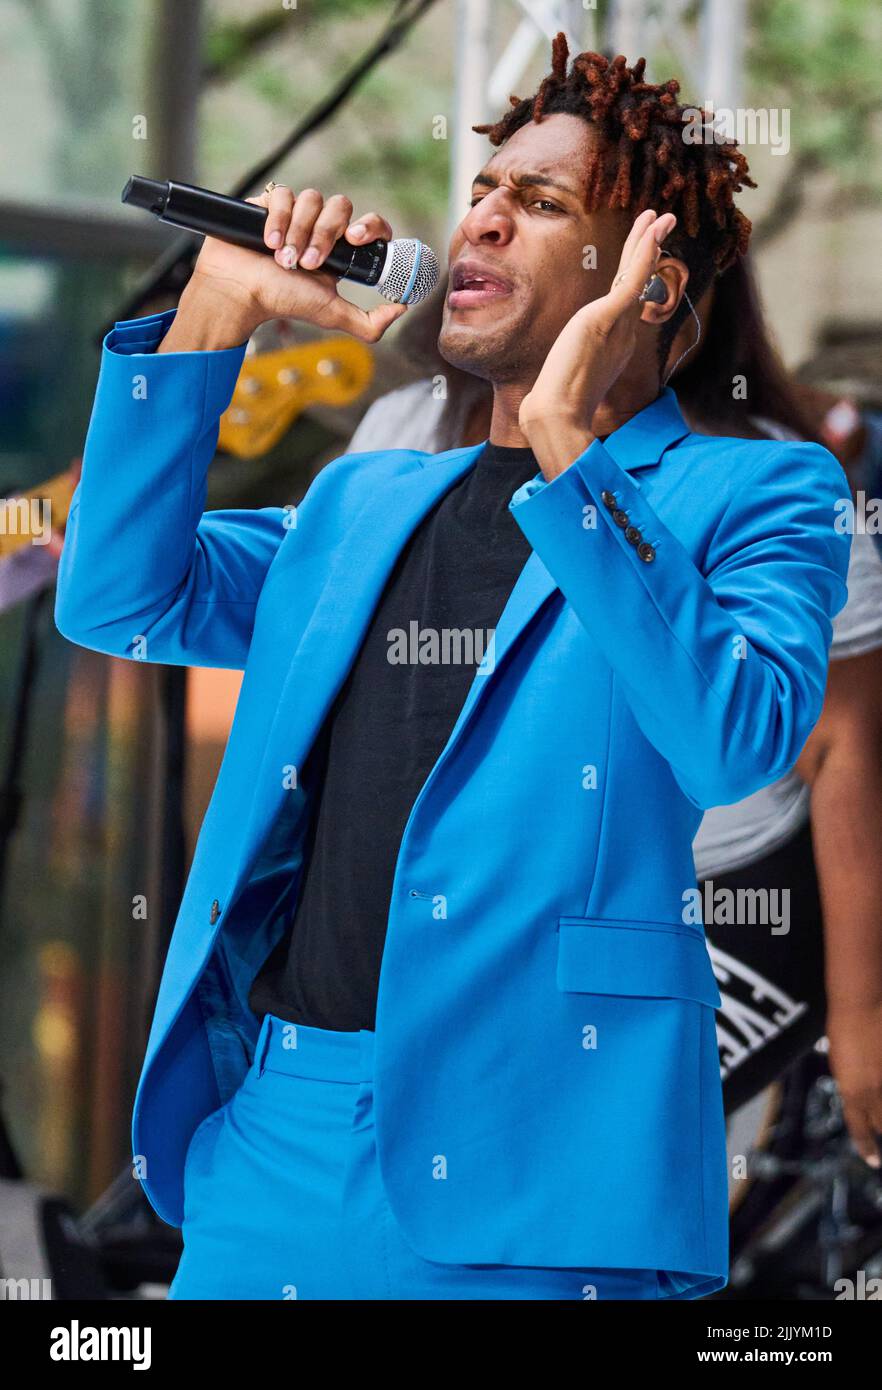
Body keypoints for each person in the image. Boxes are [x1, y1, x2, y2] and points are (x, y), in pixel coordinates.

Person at [54, 37, 851, 1300]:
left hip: (546, 1166)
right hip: (277, 1148)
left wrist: (570, 453)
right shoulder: (358, 499)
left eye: (540, 205)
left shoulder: (753, 490)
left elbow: (733, 737)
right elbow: (118, 601)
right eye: (486, 189)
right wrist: (220, 305)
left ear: (652, 284)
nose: (481, 215)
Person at [355, 256, 882, 1167]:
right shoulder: (404, 435)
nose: (493, 229)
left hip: (723, 901)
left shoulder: (770, 479)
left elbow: (847, 742)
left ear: (677, 297)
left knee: (591, 1173)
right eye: (490, 194)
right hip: (487, 895)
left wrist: (861, 1015)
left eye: (553, 214)